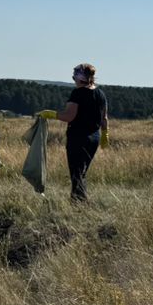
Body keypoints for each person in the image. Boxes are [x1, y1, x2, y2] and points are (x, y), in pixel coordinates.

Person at [53, 63, 107, 202]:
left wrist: (52, 114)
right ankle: (80, 200)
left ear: (80, 78)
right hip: (94, 138)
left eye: (74, 77)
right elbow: (104, 118)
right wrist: (105, 134)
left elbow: (69, 116)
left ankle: (78, 202)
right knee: (82, 171)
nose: (74, 80)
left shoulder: (77, 93)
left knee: (76, 172)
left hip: (78, 137)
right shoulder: (100, 94)